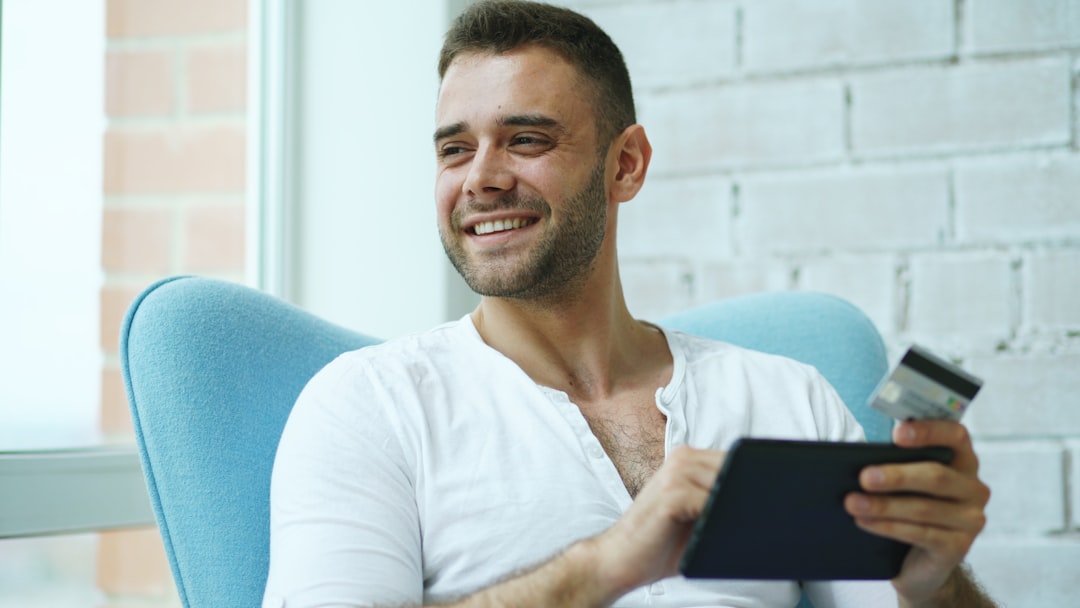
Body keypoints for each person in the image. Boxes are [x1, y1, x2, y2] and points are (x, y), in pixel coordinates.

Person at [263, 1, 996, 606]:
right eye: (455, 150)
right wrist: (605, 565)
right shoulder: (367, 408)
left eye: (524, 139)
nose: (480, 178)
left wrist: (932, 584)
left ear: (626, 164)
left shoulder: (785, 398)